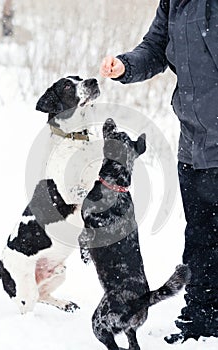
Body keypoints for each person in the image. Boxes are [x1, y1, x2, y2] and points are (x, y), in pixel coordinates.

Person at [100, 0, 218, 344]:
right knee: (200, 234)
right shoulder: (175, 3)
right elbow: (155, 47)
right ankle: (203, 315)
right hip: (195, 142)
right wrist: (125, 65)